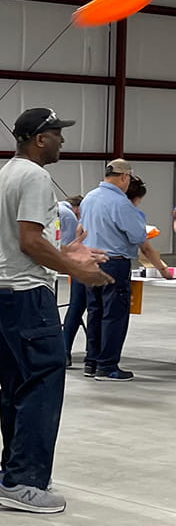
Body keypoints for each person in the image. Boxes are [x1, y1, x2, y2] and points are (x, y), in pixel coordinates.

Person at [0, 108, 113, 514]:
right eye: (57, 134)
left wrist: (65, 252)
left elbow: (24, 239)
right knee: (42, 382)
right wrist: (78, 271)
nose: (62, 141)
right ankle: (23, 481)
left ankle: (12, 473)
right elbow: (29, 242)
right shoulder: (35, 176)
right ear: (39, 138)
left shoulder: (8, 172)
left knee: (18, 385)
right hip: (24, 294)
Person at [80, 159, 148, 382]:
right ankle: (108, 365)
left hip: (90, 261)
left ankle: (91, 362)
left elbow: (82, 228)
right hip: (114, 263)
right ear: (125, 177)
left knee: (95, 311)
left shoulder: (89, 198)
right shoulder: (121, 203)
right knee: (114, 314)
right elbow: (138, 236)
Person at [125, 177, 172, 282]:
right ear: (138, 198)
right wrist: (163, 270)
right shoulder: (134, 214)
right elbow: (146, 249)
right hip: (118, 263)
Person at [58, 195, 84, 368]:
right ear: (77, 208)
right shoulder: (68, 214)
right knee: (86, 310)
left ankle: (64, 352)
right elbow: (68, 243)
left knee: (74, 309)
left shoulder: (56, 208)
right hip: (77, 263)